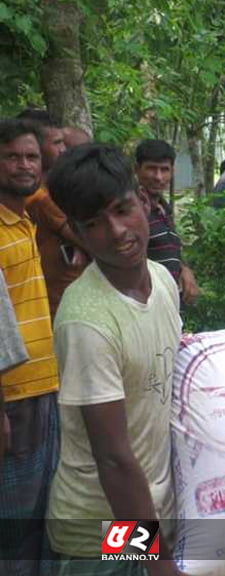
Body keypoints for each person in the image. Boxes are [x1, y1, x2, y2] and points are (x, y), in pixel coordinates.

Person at [45, 144, 182, 576]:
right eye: (95, 224)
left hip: (151, 518)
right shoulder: (86, 321)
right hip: (98, 536)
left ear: (142, 201)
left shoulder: (162, 281)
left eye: (123, 209)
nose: (118, 231)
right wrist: (155, 559)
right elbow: (114, 458)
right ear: (78, 233)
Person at [0, 119, 61, 576]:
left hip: (48, 389)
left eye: (31, 157)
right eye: (12, 156)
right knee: (16, 528)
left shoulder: (24, 221)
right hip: (16, 398)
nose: (24, 165)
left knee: (50, 518)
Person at [17, 109, 85, 318]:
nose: (63, 149)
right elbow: (89, 240)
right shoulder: (39, 199)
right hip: (55, 309)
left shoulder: (56, 189)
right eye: (56, 143)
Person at [134, 139, 200, 306]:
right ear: (137, 169)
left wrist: (184, 268)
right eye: (151, 169)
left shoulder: (164, 208)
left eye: (164, 170)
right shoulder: (132, 211)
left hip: (170, 304)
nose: (158, 177)